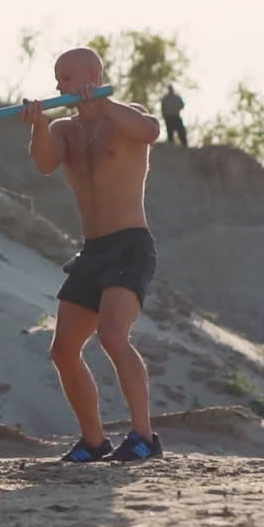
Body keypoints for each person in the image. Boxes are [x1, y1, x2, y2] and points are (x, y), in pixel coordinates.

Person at [20, 48, 163, 462]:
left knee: (113, 335)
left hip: (130, 245)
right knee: (63, 350)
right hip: (92, 251)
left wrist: (105, 104)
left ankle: (144, 437)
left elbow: (150, 131)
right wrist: (39, 125)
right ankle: (94, 441)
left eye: (65, 78)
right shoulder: (65, 130)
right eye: (58, 78)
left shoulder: (125, 116)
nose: (58, 85)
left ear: (92, 77)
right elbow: (45, 162)